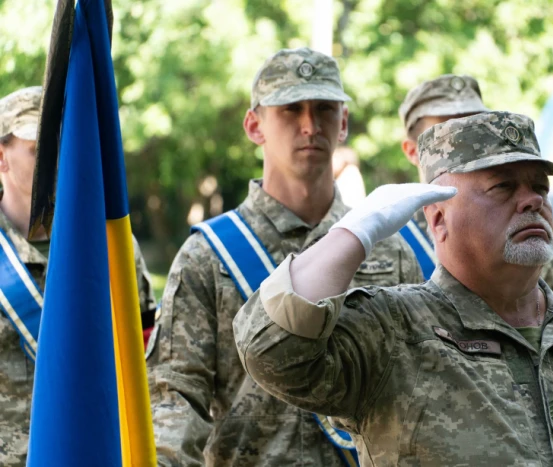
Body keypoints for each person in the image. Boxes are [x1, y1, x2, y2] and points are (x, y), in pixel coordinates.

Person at [234, 111, 553, 466]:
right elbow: (271, 351)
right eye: (503, 186)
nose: (532, 200)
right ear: (438, 220)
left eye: (540, 187)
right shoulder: (394, 333)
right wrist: (355, 232)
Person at [147, 47, 422, 466]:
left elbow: (415, 384)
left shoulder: (387, 246)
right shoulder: (209, 256)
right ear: (255, 125)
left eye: (325, 109)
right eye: (291, 109)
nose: (310, 125)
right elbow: (176, 396)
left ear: (343, 122)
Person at [0, 86, 157, 466]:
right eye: (39, 149)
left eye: (63, 144)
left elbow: (146, 358)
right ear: (1, 157)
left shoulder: (110, 245)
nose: (57, 159)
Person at [398, 74, 553, 297]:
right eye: (448, 130)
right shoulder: (392, 234)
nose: (470, 136)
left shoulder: (524, 228)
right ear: (412, 151)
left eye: (475, 122)